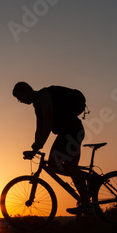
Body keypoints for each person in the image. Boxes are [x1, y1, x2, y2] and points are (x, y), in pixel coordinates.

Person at [12, 81, 93, 214]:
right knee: (54, 166)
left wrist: (39, 144)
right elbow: (39, 128)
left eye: (20, 98)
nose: (21, 101)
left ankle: (87, 204)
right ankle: (87, 180)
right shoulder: (37, 105)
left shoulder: (44, 95)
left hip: (72, 132)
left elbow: (48, 122)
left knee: (69, 167)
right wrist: (35, 148)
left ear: (27, 90)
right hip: (65, 134)